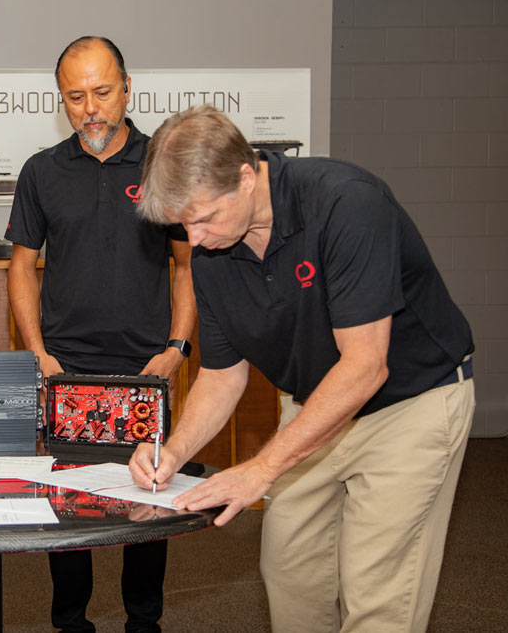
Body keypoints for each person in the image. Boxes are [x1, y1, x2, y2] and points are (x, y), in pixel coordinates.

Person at [129, 105, 475, 633]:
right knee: (291, 575)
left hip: (409, 404)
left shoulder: (345, 203)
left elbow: (364, 366)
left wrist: (261, 469)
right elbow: (223, 375)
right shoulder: (213, 255)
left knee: (377, 592)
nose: (193, 239)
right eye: (181, 224)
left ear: (246, 178)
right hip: (315, 405)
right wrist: (173, 451)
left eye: (201, 218)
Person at [6, 36, 196, 633]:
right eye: (75, 96)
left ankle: (144, 621)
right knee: (68, 511)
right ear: (62, 100)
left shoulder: (163, 164)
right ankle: (71, 622)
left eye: (103, 92)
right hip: (69, 372)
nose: (91, 108)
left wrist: (177, 350)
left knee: (148, 502)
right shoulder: (41, 172)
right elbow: (20, 267)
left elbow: (188, 265)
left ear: (127, 88)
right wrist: (38, 354)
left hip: (145, 371)